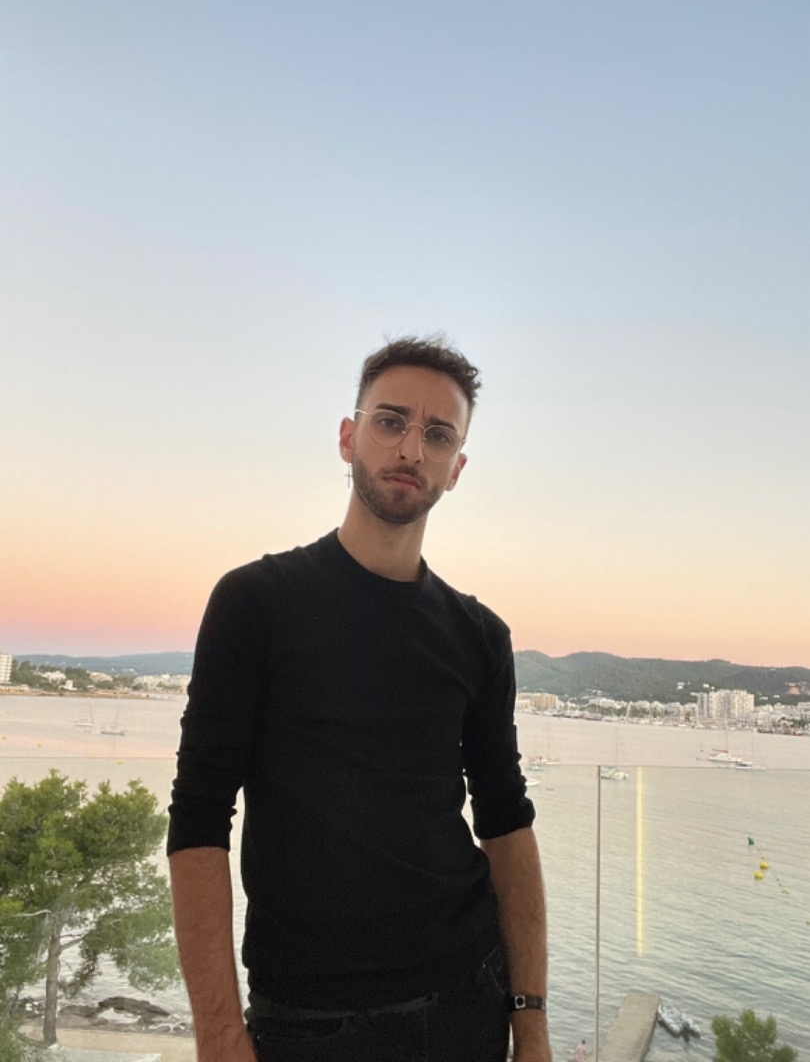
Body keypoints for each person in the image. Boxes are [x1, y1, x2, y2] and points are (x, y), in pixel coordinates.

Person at [167, 335, 552, 1062]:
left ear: (456, 468)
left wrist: (530, 1023)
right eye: (390, 421)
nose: (411, 447)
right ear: (348, 437)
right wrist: (217, 1033)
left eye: (438, 435)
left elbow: (506, 824)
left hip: (468, 1000)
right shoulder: (256, 604)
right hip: (309, 1021)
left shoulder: (479, 636)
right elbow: (198, 818)